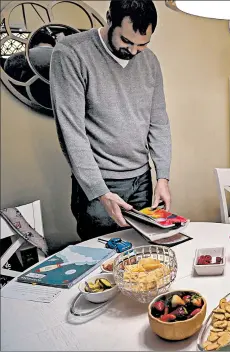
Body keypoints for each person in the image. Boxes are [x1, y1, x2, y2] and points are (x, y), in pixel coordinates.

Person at [50, 0, 172, 241]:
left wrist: (163, 178)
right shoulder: (71, 53)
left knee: (139, 256)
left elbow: (158, 122)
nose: (135, 51)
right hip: (100, 183)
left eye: (143, 44)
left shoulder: (150, 61)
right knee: (100, 262)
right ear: (109, 19)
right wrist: (99, 192)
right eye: (126, 41)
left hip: (141, 180)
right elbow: (71, 133)